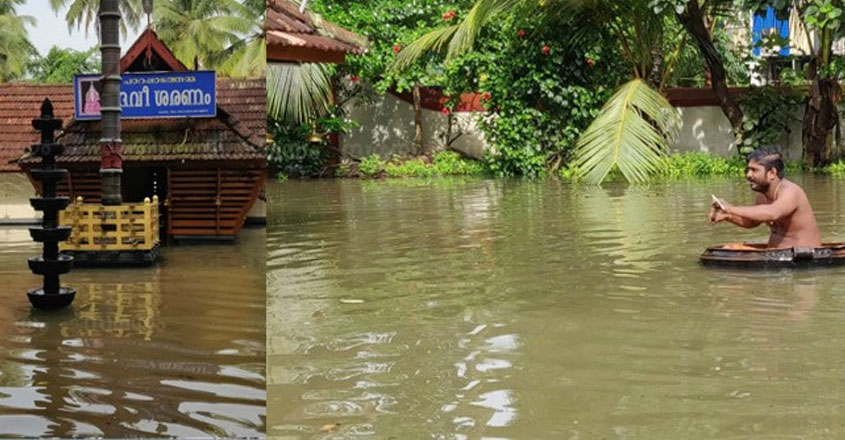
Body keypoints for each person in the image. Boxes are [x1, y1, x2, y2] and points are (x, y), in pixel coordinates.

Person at [710, 147, 821, 248]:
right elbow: (751, 222)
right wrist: (727, 216)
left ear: (772, 173)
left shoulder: (790, 192)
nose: (748, 175)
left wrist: (730, 208)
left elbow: (773, 213)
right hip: (777, 258)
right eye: (748, 170)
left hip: (804, 261)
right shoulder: (763, 195)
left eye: (754, 170)